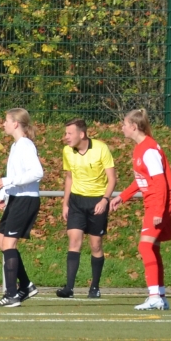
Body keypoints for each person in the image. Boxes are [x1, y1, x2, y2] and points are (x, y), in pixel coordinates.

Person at [109, 108, 171, 312]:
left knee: (145, 247)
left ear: (134, 126)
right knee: (152, 248)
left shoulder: (149, 150)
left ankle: (154, 296)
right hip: (154, 202)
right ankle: (160, 296)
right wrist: (122, 197)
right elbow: (142, 180)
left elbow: (160, 183)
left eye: (124, 124)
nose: (122, 128)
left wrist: (158, 211)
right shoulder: (140, 148)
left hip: (158, 202)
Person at [56, 119, 115, 299]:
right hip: (76, 201)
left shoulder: (101, 148)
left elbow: (112, 179)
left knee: (95, 245)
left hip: (97, 201)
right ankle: (69, 288)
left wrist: (104, 200)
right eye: (65, 133)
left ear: (81, 134)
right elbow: (69, 177)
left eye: (69, 133)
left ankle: (94, 287)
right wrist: (65, 203)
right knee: (74, 241)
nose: (66, 137)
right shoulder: (67, 151)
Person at [0, 107, 44, 307]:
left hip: (26, 200)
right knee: (1, 241)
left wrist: (7, 181)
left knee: (9, 244)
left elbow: (37, 172)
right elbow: (15, 175)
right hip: (16, 198)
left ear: (15, 123)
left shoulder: (25, 145)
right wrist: (4, 194)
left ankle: (12, 295)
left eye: (6, 120)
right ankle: (26, 285)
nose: (3, 124)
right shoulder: (16, 146)